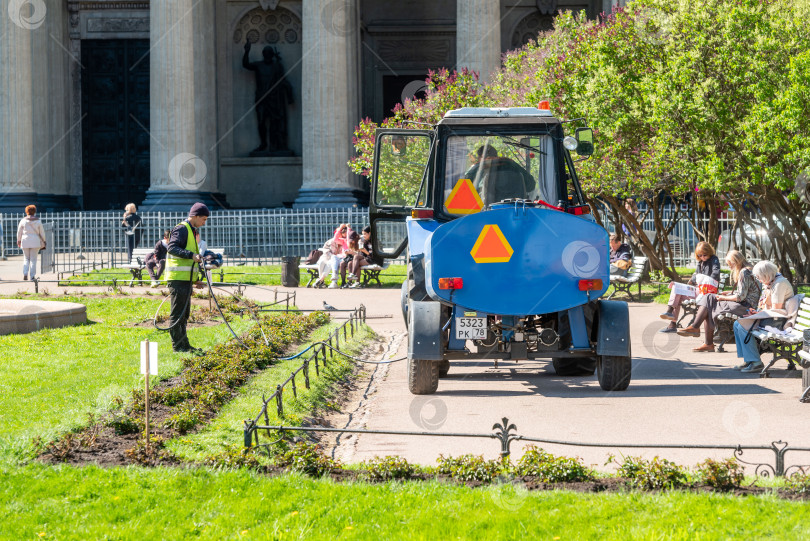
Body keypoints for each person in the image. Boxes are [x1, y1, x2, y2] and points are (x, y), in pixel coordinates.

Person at [677, 250, 761, 352]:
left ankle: (701, 335)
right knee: (709, 299)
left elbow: (740, 297)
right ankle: (699, 333)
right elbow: (747, 292)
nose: (729, 267)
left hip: (747, 308)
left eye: (730, 265)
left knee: (709, 302)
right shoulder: (749, 269)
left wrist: (723, 298)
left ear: (735, 262)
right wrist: (729, 293)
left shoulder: (744, 272)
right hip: (746, 305)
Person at [732, 261, 795, 373]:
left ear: (766, 275)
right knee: (737, 324)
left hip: (778, 321)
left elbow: (776, 309)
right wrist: (757, 313)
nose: (757, 279)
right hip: (772, 317)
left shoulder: (779, 284)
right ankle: (748, 360)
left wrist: (758, 315)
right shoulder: (772, 283)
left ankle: (756, 362)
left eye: (759, 276)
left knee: (742, 326)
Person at [165, 202, 209, 354]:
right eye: (203, 219)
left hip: (185, 279)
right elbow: (171, 248)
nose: (204, 223)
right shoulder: (182, 228)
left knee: (184, 314)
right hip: (177, 278)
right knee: (178, 314)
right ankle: (178, 347)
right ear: (195, 216)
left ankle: (184, 345)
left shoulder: (191, 230)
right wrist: (192, 255)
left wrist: (194, 279)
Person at [659, 241, 720, 333]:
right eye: (699, 255)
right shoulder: (700, 262)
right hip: (697, 290)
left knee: (678, 292)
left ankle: (672, 322)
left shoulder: (714, 259)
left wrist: (703, 279)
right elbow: (695, 276)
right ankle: (670, 313)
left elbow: (715, 273)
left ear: (709, 252)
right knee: (676, 289)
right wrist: (693, 280)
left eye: (704, 255)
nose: (702, 257)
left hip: (706, 291)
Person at [315, 223, 353, 288]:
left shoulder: (349, 240)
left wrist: (348, 228)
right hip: (335, 258)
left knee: (332, 261)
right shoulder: (340, 241)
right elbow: (335, 239)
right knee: (332, 260)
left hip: (345, 258)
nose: (343, 235)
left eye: (344, 233)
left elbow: (349, 237)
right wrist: (340, 229)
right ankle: (333, 278)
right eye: (341, 233)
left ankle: (322, 280)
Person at [16, 205, 46, 281]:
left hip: (25, 241)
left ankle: (25, 274)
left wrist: (18, 240)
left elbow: (19, 232)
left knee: (26, 258)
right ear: (34, 211)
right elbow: (42, 233)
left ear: (26, 211)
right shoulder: (38, 221)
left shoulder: (23, 220)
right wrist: (44, 241)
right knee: (33, 259)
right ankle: (32, 276)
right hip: (35, 241)